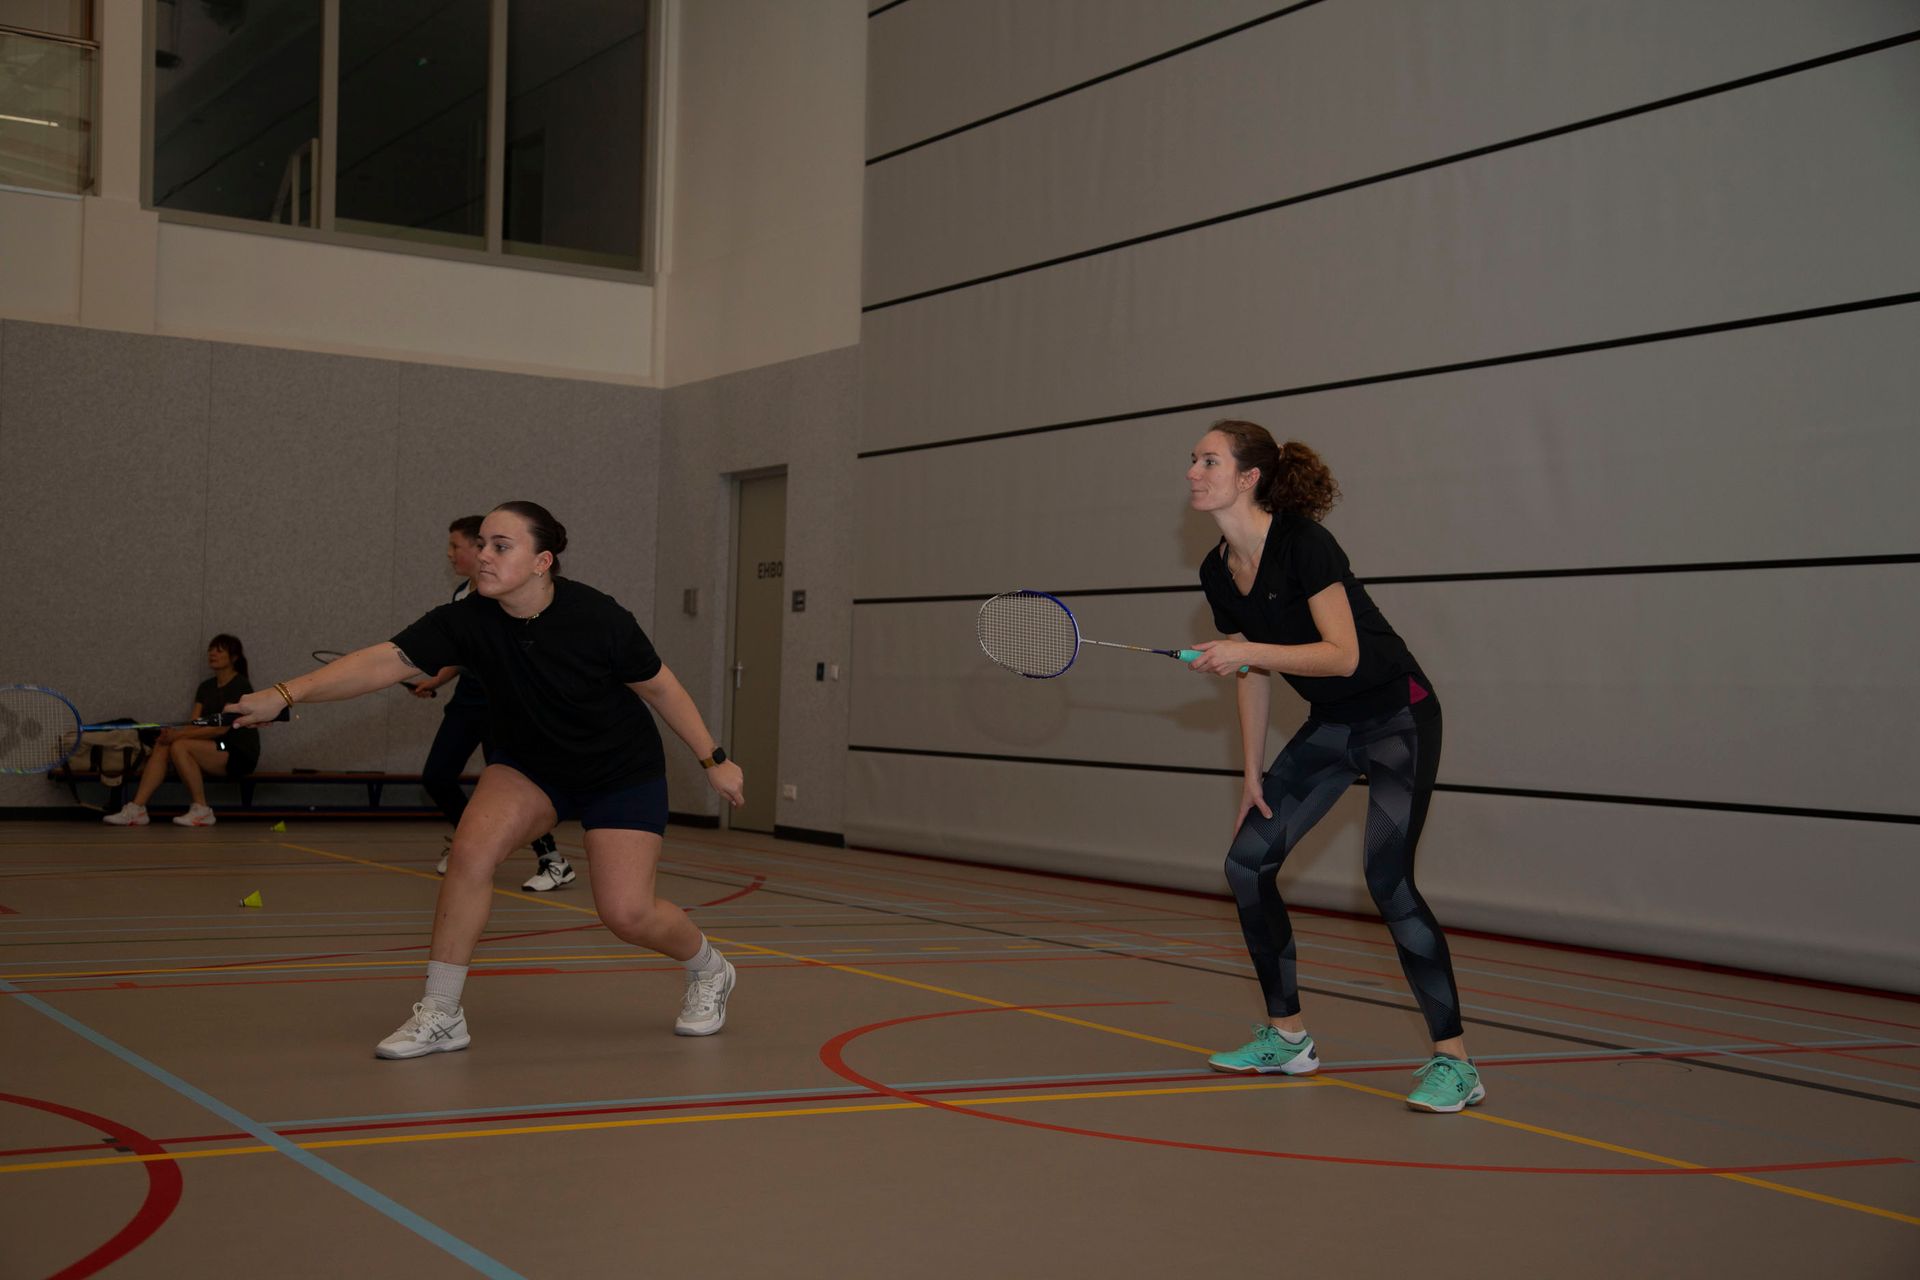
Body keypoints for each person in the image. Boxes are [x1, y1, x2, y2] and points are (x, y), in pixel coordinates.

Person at [227, 501, 746, 1059]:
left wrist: (713, 759)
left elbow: (661, 688)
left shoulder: (599, 617)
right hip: (530, 765)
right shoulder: (466, 619)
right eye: (482, 545)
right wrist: (282, 695)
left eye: (501, 546)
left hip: (617, 770)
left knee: (626, 914)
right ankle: (443, 1012)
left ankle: (709, 969)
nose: (483, 555)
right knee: (471, 852)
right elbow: (382, 662)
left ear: (542, 561)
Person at [1184, 421, 1482, 1114]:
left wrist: (1244, 651)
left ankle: (1455, 1063)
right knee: (1245, 862)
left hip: (1398, 718)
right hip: (1333, 727)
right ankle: (1288, 1038)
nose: (1194, 471)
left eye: (1209, 460)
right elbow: (1250, 670)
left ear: (1249, 475)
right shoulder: (1216, 568)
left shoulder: (1303, 544)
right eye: (1193, 460)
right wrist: (1252, 770)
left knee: (1387, 878)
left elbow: (1342, 654)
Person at [408, 515, 572, 891]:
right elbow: (463, 651)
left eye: (456, 546)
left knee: (516, 786)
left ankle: (553, 861)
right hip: (468, 699)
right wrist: (435, 679)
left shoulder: (505, 595)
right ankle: (473, 844)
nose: (451, 554)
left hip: (504, 703)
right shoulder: (460, 597)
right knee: (436, 775)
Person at [102, 635, 261, 828]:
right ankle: (137, 809)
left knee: (180, 745)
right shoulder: (206, 687)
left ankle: (202, 810)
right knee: (165, 744)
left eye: (219, 650)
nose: (212, 653)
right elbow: (195, 723)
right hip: (214, 745)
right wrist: (171, 736)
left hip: (235, 748)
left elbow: (220, 728)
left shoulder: (240, 685)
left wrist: (179, 736)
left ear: (234, 657)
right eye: (211, 649)